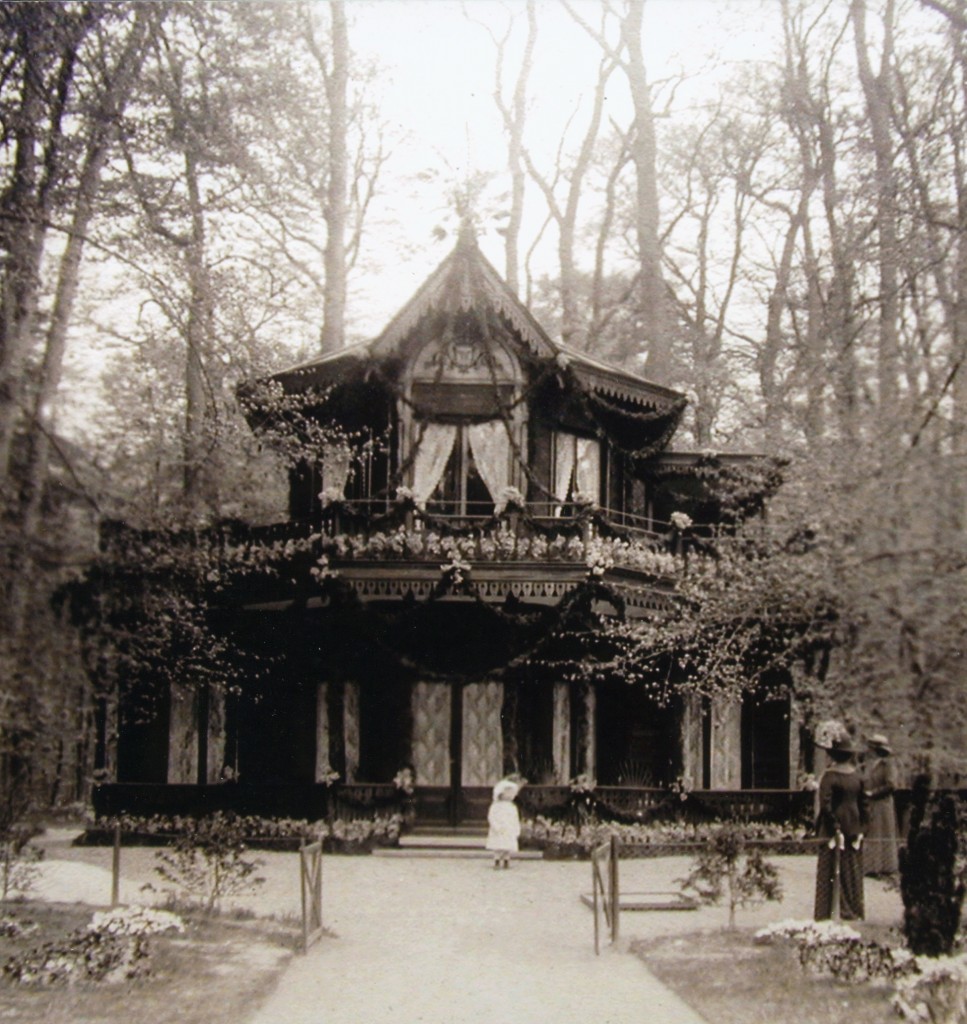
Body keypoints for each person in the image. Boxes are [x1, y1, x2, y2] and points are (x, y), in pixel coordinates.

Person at [814, 734, 868, 921]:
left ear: (833, 756)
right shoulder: (858, 776)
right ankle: (852, 911)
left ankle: (826, 913)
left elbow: (826, 805)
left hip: (832, 828)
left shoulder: (830, 777)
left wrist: (835, 828)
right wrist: (861, 829)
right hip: (853, 827)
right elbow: (865, 806)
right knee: (852, 871)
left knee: (828, 870)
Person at [863, 733, 900, 877]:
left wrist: (873, 793)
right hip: (872, 804)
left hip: (883, 804)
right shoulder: (869, 765)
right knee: (872, 832)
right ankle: (872, 866)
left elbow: (891, 785)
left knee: (882, 832)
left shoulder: (888, 764)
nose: (868, 750)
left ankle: (886, 867)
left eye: (871, 747)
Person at [486, 778, 521, 870]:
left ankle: (506, 860)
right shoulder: (495, 806)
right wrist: (495, 826)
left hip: (509, 828)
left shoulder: (512, 807)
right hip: (499, 829)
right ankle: (497, 860)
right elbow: (491, 817)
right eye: (507, 793)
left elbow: (515, 818)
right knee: (498, 846)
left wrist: (516, 829)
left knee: (507, 846)